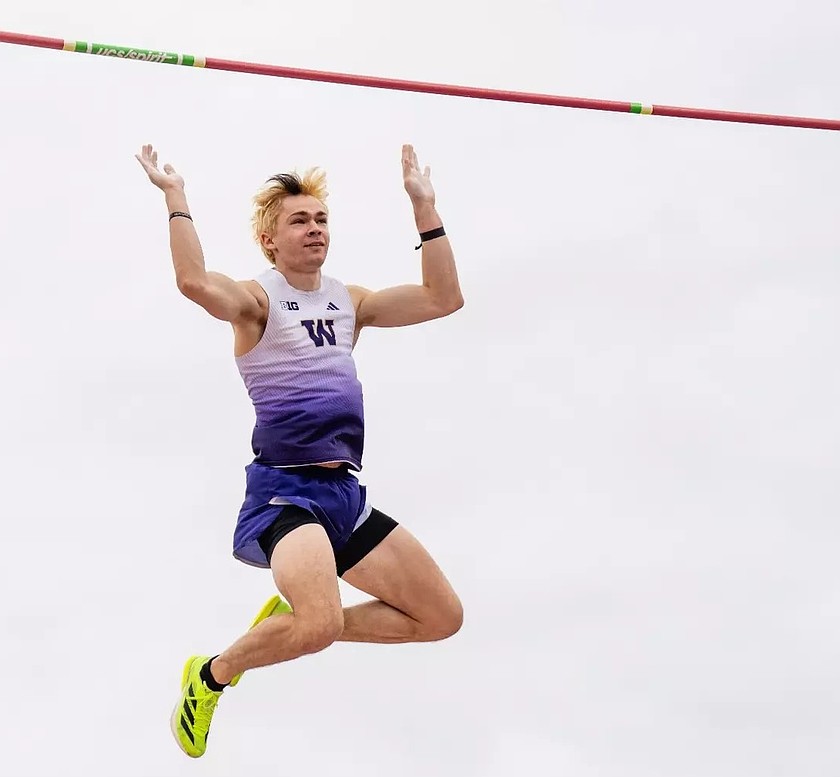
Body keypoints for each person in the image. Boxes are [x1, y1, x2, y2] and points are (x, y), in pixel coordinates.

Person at [135, 143, 465, 758]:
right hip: (286, 495)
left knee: (440, 617)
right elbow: (193, 282)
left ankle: (289, 626)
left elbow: (443, 298)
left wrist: (425, 206)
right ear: (270, 240)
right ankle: (212, 675)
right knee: (318, 622)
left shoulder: (349, 302)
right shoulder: (256, 304)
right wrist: (175, 197)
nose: (315, 229)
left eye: (321, 220)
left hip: (343, 494)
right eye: (299, 221)